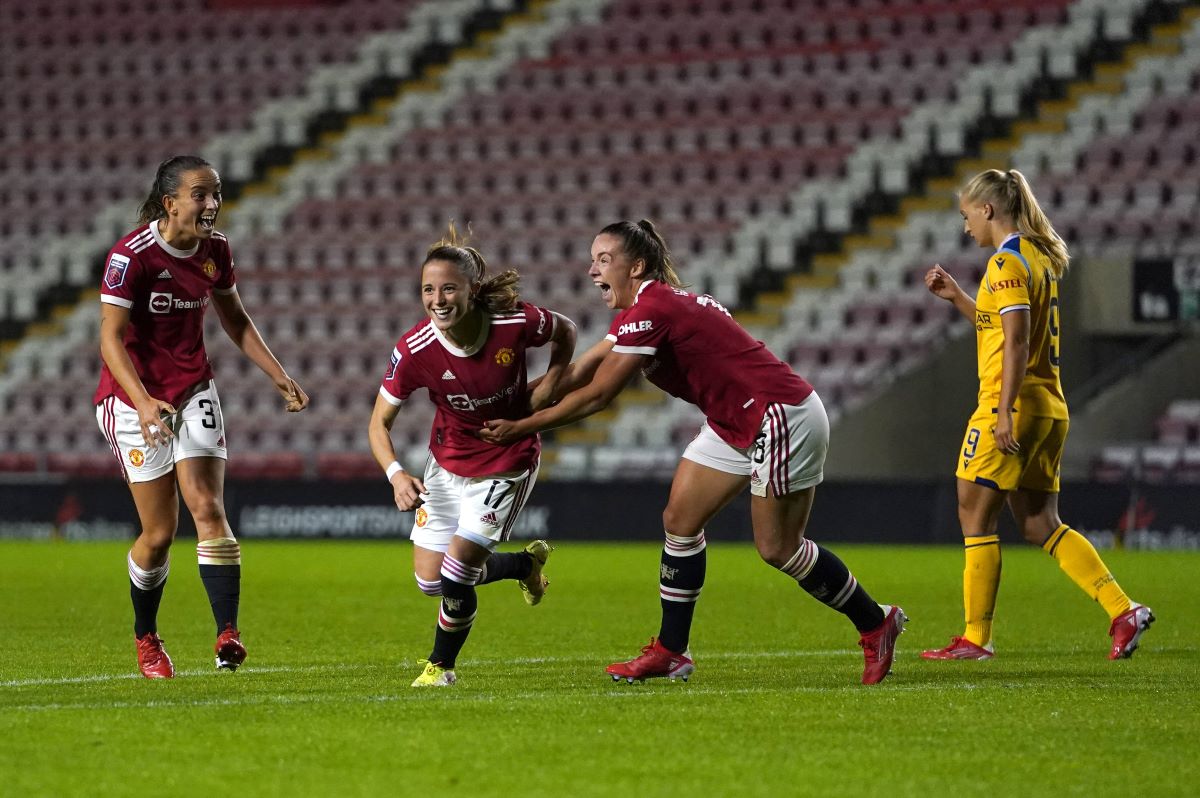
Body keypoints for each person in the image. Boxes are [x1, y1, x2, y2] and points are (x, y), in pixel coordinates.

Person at [481, 220, 906, 685]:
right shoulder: (644, 310)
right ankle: (672, 651)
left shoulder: (653, 309)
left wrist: (520, 427)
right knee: (680, 522)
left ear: (637, 266)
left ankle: (875, 622)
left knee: (778, 548)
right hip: (734, 421)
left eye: (604, 260)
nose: (591, 270)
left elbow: (598, 395)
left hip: (778, 415)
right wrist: (511, 400)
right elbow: (581, 370)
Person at [921, 168, 1153, 661]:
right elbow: (1002, 329)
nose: (966, 227)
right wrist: (960, 298)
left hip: (1013, 405)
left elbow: (1019, 341)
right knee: (1038, 523)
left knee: (972, 509)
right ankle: (1122, 608)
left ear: (987, 210)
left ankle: (976, 638)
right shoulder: (1036, 257)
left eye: (967, 216)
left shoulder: (1005, 264)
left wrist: (1003, 411)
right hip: (1049, 407)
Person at [95, 155, 309, 679]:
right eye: (200, 194)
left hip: (194, 389)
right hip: (132, 401)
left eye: (216, 193)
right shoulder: (132, 256)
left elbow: (235, 320)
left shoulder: (217, 251)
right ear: (170, 203)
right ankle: (147, 637)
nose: (212, 204)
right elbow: (109, 339)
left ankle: (227, 637)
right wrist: (143, 402)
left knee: (208, 508)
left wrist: (277, 374)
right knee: (160, 534)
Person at [367, 228, 577, 687]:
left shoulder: (513, 323)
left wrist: (552, 383)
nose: (437, 299)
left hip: (507, 461)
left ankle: (440, 668)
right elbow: (378, 424)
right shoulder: (414, 349)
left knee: (458, 571)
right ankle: (524, 565)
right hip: (445, 465)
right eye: (428, 289)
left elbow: (567, 332)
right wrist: (396, 473)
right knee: (431, 581)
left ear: (472, 290)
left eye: (448, 288)